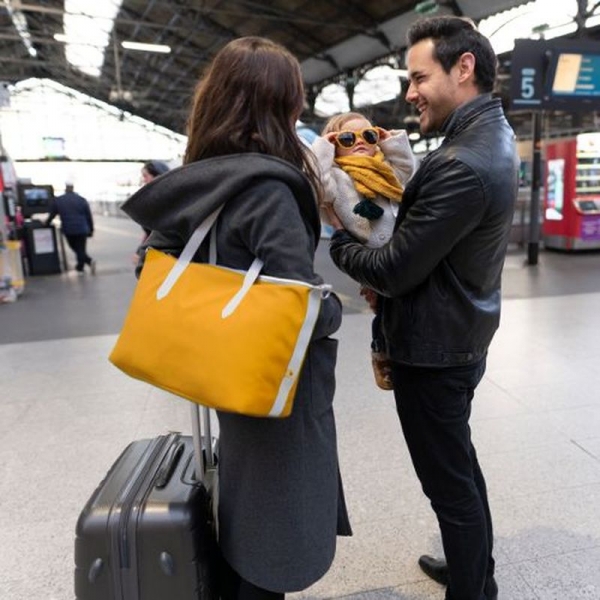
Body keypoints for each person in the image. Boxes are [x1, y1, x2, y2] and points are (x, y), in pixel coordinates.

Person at [121, 36, 351, 600]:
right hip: (275, 385)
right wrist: (336, 306)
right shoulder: (270, 187)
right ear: (281, 105)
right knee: (278, 519)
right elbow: (297, 301)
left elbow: (150, 266)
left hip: (219, 372)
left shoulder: (199, 178)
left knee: (243, 495)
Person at [328, 16, 518, 600]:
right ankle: (473, 570)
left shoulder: (460, 162)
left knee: (449, 483)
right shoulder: (492, 138)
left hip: (435, 348)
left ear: (463, 68)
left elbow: (394, 268)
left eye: (418, 77)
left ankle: (472, 590)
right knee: (459, 467)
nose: (410, 93)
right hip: (461, 327)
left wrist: (338, 241)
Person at [311, 111, 415, 389]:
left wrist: (392, 141)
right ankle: (381, 352)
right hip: (371, 256)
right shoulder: (336, 177)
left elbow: (409, 170)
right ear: (335, 144)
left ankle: (405, 350)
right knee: (382, 310)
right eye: (347, 138)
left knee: (403, 309)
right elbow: (315, 186)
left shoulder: (387, 168)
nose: (359, 141)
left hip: (403, 250)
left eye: (368, 135)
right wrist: (322, 147)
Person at [45, 181, 95, 275]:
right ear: (73, 188)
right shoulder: (81, 200)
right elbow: (88, 216)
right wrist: (91, 229)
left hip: (69, 230)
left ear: (66, 188)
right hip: (82, 228)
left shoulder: (59, 200)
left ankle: (87, 262)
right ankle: (81, 265)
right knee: (81, 248)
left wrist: (46, 224)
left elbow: (52, 214)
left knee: (75, 247)